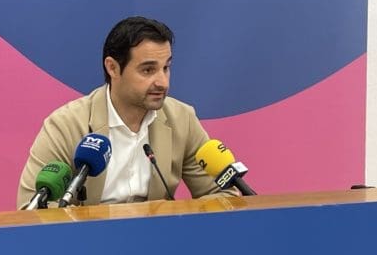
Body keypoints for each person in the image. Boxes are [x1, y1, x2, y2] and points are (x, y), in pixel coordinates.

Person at [17, 16, 234, 207]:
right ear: (113, 68)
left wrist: (175, 216)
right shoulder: (66, 125)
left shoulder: (181, 119)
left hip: (157, 237)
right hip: (89, 238)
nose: (162, 82)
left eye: (166, 67)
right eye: (148, 70)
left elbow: (224, 194)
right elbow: (32, 207)